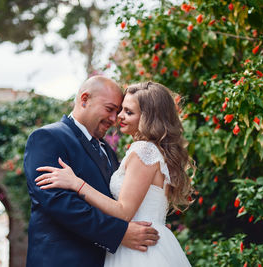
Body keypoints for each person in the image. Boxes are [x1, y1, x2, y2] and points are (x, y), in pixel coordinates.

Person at [35, 81, 193, 266]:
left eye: (128, 112)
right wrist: (117, 234)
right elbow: (58, 203)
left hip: (139, 249)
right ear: (84, 99)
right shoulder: (49, 138)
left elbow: (124, 211)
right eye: (117, 110)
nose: (118, 117)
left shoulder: (143, 150)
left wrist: (76, 183)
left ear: (148, 117)